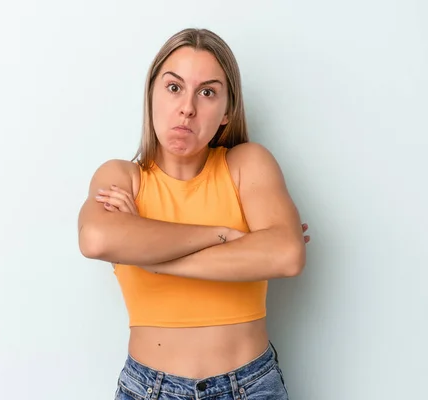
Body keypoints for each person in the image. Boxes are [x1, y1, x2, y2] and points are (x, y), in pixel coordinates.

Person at [78, 27, 310, 400]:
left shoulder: (246, 164)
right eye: (174, 87)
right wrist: (220, 234)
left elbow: (286, 254)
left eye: (207, 92)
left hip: (250, 387)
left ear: (226, 112)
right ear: (152, 94)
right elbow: (96, 239)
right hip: (148, 389)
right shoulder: (122, 177)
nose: (187, 107)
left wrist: (153, 260)